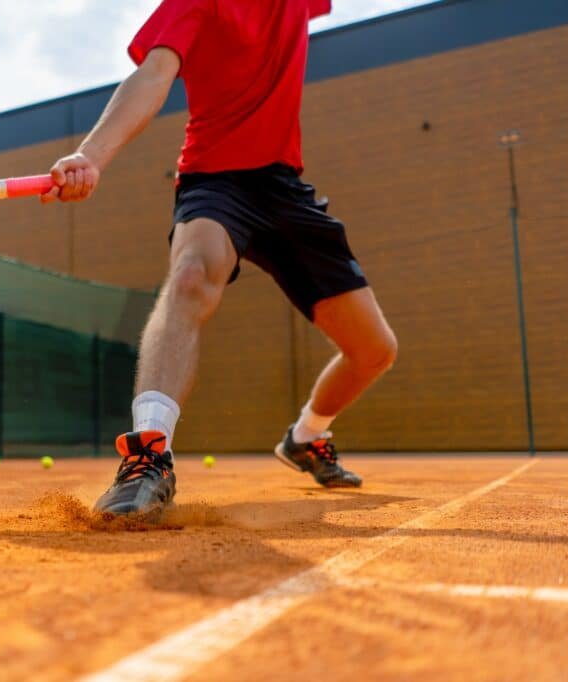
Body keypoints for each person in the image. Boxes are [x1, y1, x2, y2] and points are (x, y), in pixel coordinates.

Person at [42, 0, 397, 518]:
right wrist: (91, 157)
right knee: (190, 275)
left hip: (285, 188)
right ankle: (148, 456)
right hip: (216, 179)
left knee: (374, 351)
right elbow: (153, 73)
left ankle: (306, 437)